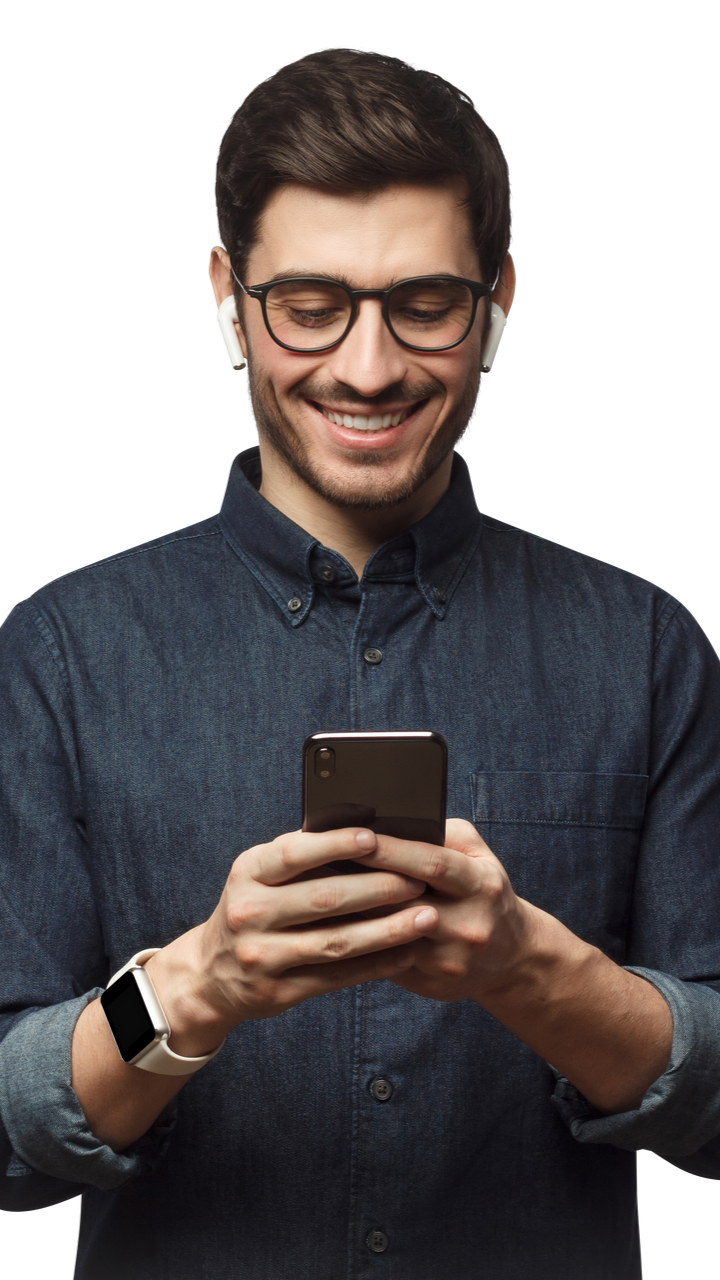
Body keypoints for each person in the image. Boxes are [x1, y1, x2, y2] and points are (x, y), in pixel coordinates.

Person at [1, 47, 718, 1280]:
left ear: (499, 297)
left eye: (424, 303)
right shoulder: (59, 650)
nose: (370, 368)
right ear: (229, 295)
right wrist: (193, 989)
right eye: (311, 304)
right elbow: (12, 1125)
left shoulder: (650, 646)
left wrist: (532, 972)